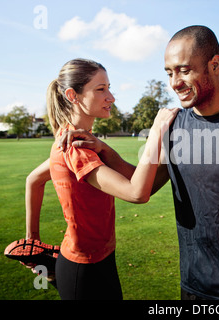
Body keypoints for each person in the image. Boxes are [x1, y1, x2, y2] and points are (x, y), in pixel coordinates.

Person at [25, 26, 219, 300]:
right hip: (193, 285)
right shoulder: (175, 126)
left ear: (214, 65)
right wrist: (105, 150)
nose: (175, 82)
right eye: (169, 72)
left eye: (184, 70)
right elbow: (145, 184)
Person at [26, 58, 178, 300]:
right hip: (83, 270)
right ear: (72, 95)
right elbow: (137, 193)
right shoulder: (74, 147)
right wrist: (157, 133)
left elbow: (33, 180)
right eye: (100, 89)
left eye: (109, 87)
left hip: (101, 259)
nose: (111, 97)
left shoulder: (79, 140)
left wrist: (32, 238)